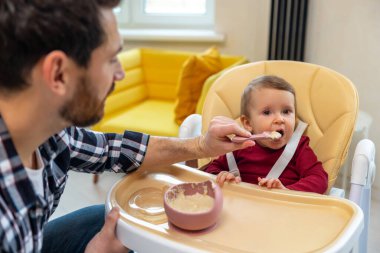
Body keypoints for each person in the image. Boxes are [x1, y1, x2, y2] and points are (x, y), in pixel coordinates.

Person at [0, 1, 255, 253]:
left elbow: (113, 150)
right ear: (58, 74)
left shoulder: (52, 133)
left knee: (115, 221)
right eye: (112, 59)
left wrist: (201, 145)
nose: (120, 73)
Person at [204, 75, 328, 194]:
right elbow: (210, 170)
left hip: (281, 209)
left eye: (286, 111)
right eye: (267, 112)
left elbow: (319, 179)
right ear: (248, 123)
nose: (280, 119)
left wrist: (288, 191)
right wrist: (221, 176)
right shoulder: (240, 145)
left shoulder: (299, 147)